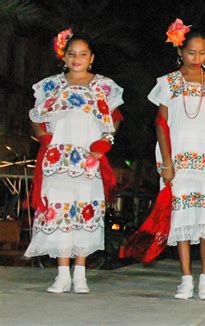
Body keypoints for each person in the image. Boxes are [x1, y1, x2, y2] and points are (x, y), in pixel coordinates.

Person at [124, 19, 205, 300]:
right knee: (181, 221)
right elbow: (161, 124)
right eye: (192, 52)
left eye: (203, 53)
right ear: (181, 52)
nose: (198, 58)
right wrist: (167, 163)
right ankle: (185, 278)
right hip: (179, 162)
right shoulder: (168, 83)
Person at [25, 29, 124, 293]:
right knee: (60, 213)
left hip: (88, 160)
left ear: (91, 58)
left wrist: (106, 143)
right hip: (57, 161)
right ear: (64, 57)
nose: (77, 58)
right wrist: (42, 136)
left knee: (84, 212)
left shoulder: (104, 87)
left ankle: (80, 273)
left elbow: (113, 120)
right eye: (72, 54)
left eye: (82, 54)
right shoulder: (50, 86)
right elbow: (36, 119)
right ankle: (61, 274)